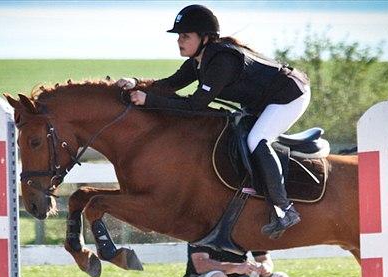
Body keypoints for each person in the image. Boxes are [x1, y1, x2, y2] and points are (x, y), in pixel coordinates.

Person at [116, 4, 312, 239]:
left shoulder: (221, 61)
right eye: (179, 35)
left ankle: (285, 209)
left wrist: (148, 101)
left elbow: (195, 107)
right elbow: (170, 84)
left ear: (205, 38)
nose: (180, 40)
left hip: (289, 95)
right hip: (264, 100)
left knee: (256, 139)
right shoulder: (199, 60)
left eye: (185, 36)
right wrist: (135, 82)